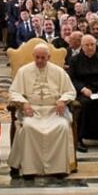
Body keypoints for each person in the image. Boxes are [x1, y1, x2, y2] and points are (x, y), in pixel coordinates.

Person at [8, 44, 76, 179]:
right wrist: (24, 103)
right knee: (28, 127)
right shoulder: (23, 71)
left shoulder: (59, 72)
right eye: (37, 57)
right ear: (33, 56)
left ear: (49, 57)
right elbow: (13, 92)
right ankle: (29, 170)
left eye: (43, 58)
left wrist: (63, 100)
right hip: (32, 111)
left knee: (62, 127)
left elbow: (71, 91)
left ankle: (58, 169)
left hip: (53, 111)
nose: (39, 61)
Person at [69, 34, 98, 153]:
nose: (90, 47)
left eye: (92, 45)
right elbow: (72, 79)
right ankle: (80, 138)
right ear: (82, 46)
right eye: (87, 45)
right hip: (83, 92)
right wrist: (83, 89)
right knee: (84, 105)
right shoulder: (75, 60)